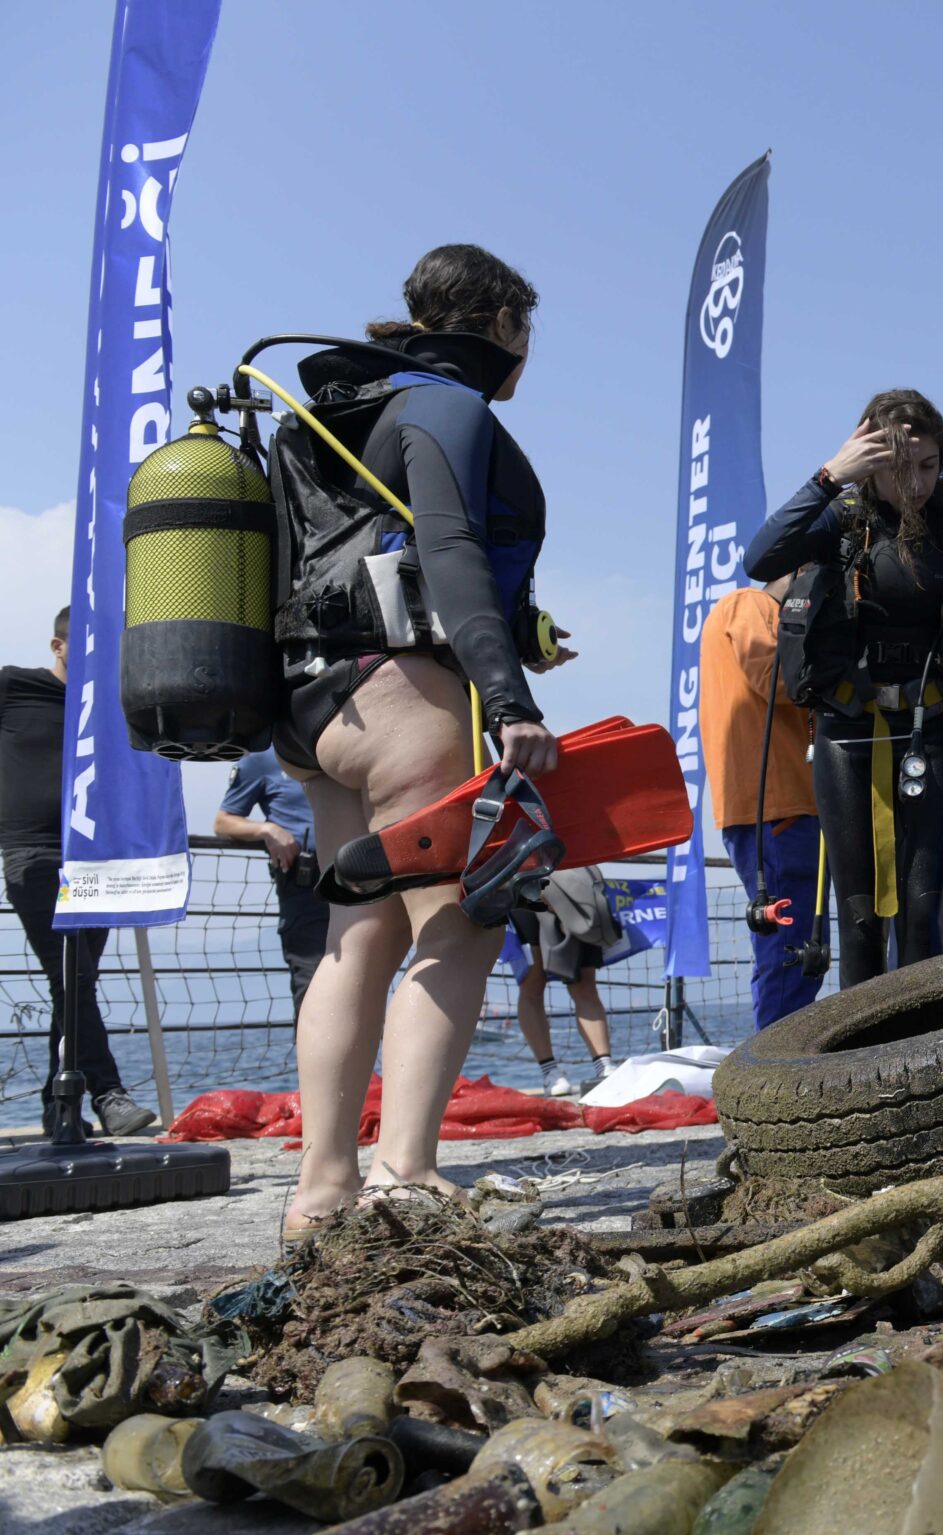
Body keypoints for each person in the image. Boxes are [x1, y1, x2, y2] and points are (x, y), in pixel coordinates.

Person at [268, 244, 564, 1238]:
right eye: (526, 334)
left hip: (309, 710)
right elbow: (448, 547)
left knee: (361, 934)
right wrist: (509, 698)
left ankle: (320, 1190)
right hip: (401, 697)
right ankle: (406, 1172)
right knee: (462, 919)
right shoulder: (447, 404)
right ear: (500, 326)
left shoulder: (325, 409)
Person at [741, 389, 943, 988]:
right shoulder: (841, 515)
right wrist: (827, 476)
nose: (916, 483)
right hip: (847, 732)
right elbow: (759, 559)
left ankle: (926, 1062)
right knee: (859, 918)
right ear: (870, 461)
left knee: (924, 914)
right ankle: (861, 1072)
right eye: (899, 467)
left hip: (929, 729)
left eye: (928, 465)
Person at [1, 608, 154, 1137]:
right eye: (82, 646)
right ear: (57, 646)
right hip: (34, 854)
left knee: (75, 982)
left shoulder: (110, 708)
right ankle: (108, 1092)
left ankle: (57, 1108)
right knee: (73, 975)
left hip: (97, 857)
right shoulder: (14, 687)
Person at [700, 582, 824, 1029]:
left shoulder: (740, 608)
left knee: (793, 952)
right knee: (792, 953)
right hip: (776, 806)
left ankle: (776, 1072)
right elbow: (781, 677)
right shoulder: (749, 604)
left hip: (774, 806)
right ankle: (779, 1079)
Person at [214, 747, 328, 1020]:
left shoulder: (336, 749)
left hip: (357, 880)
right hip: (305, 886)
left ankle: (363, 1063)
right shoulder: (262, 759)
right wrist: (266, 829)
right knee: (312, 980)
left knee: (363, 975)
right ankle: (314, 1062)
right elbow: (223, 822)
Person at [512, 868, 619, 1096]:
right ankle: (550, 1072)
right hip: (519, 882)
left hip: (573, 880)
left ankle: (604, 1065)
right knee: (532, 981)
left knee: (584, 982)